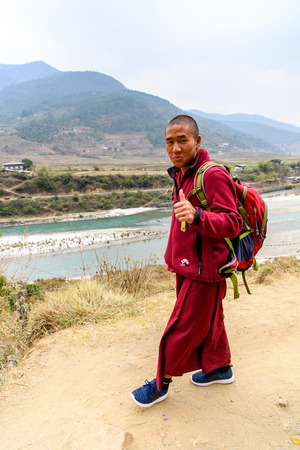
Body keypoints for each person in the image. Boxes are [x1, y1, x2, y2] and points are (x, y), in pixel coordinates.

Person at [130, 115, 243, 408]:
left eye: (183, 140)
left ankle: (160, 385)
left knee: (182, 326)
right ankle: (219, 369)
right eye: (170, 142)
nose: (176, 148)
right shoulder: (182, 173)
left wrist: (197, 216)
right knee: (211, 319)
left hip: (204, 269)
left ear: (197, 141)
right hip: (190, 264)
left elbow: (233, 222)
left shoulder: (212, 175)